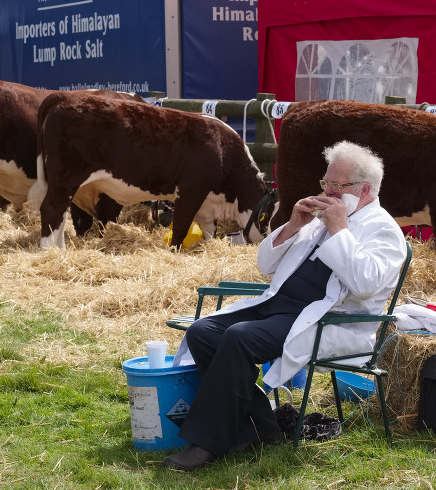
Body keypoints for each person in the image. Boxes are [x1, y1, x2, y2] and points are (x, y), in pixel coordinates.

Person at [163, 141, 407, 471]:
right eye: (326, 183)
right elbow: (266, 264)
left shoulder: (384, 230)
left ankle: (206, 443)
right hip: (280, 305)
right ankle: (260, 426)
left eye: (338, 186)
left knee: (238, 338)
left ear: (364, 189)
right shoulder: (323, 218)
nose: (329, 192)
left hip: (326, 321)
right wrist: (294, 225)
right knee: (202, 331)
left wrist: (338, 230)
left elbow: (364, 285)